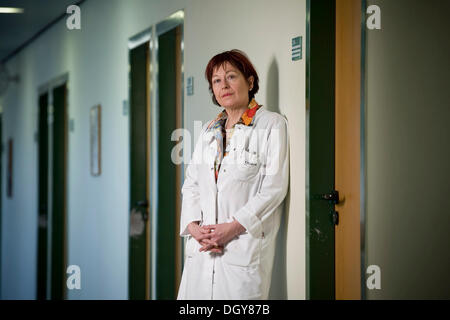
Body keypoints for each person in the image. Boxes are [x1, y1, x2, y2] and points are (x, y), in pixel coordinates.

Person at [177, 49, 289, 300]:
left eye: (231, 77)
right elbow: (192, 184)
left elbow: (274, 188)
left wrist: (233, 228)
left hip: (242, 249)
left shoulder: (271, 124)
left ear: (250, 82)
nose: (224, 85)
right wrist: (194, 228)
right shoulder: (208, 131)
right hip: (202, 249)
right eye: (217, 81)